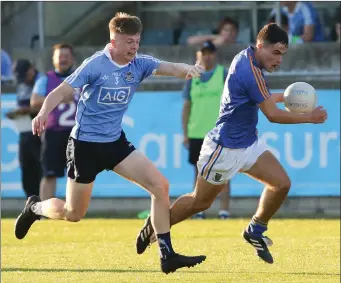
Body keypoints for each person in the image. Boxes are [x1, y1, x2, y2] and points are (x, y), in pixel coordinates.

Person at [14, 12, 206, 274]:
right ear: (114, 41)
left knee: (160, 186)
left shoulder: (139, 63)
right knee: (73, 213)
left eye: (137, 41)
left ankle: (166, 254)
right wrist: (42, 113)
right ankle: (35, 207)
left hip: (115, 142)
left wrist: (190, 69)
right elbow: (60, 91)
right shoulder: (95, 65)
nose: (134, 47)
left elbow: (170, 67)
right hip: (85, 147)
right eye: (129, 42)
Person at [135, 23, 328, 264]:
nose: (279, 60)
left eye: (283, 55)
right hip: (223, 148)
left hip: (247, 144)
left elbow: (265, 98)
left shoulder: (249, 60)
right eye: (276, 52)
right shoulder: (251, 71)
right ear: (260, 46)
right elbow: (273, 115)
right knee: (200, 202)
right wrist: (310, 117)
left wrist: (288, 99)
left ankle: (255, 230)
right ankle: (155, 224)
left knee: (281, 184)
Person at [182, 41, 231, 220]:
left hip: (219, 132)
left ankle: (224, 211)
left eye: (210, 52)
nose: (207, 56)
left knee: (223, 172)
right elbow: (186, 106)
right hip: (197, 131)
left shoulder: (223, 74)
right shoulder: (192, 77)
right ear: (198, 55)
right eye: (204, 52)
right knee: (199, 172)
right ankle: (198, 210)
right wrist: (185, 133)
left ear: (215, 54)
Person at [30, 43, 80, 201]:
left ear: (72, 58)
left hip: (77, 133)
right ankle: (44, 209)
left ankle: (74, 209)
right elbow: (34, 101)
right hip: (53, 133)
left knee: (77, 174)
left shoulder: (82, 77)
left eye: (66, 56)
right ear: (54, 59)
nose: (63, 60)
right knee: (49, 173)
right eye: (60, 56)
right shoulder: (46, 79)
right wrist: (57, 99)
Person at [6, 59, 42, 198]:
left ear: (31, 69)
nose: (23, 80)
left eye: (24, 75)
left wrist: (26, 110)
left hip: (40, 132)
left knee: (40, 170)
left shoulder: (41, 81)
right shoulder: (22, 85)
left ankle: (43, 204)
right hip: (25, 131)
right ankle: (31, 205)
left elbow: (45, 104)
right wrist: (17, 113)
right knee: (26, 169)